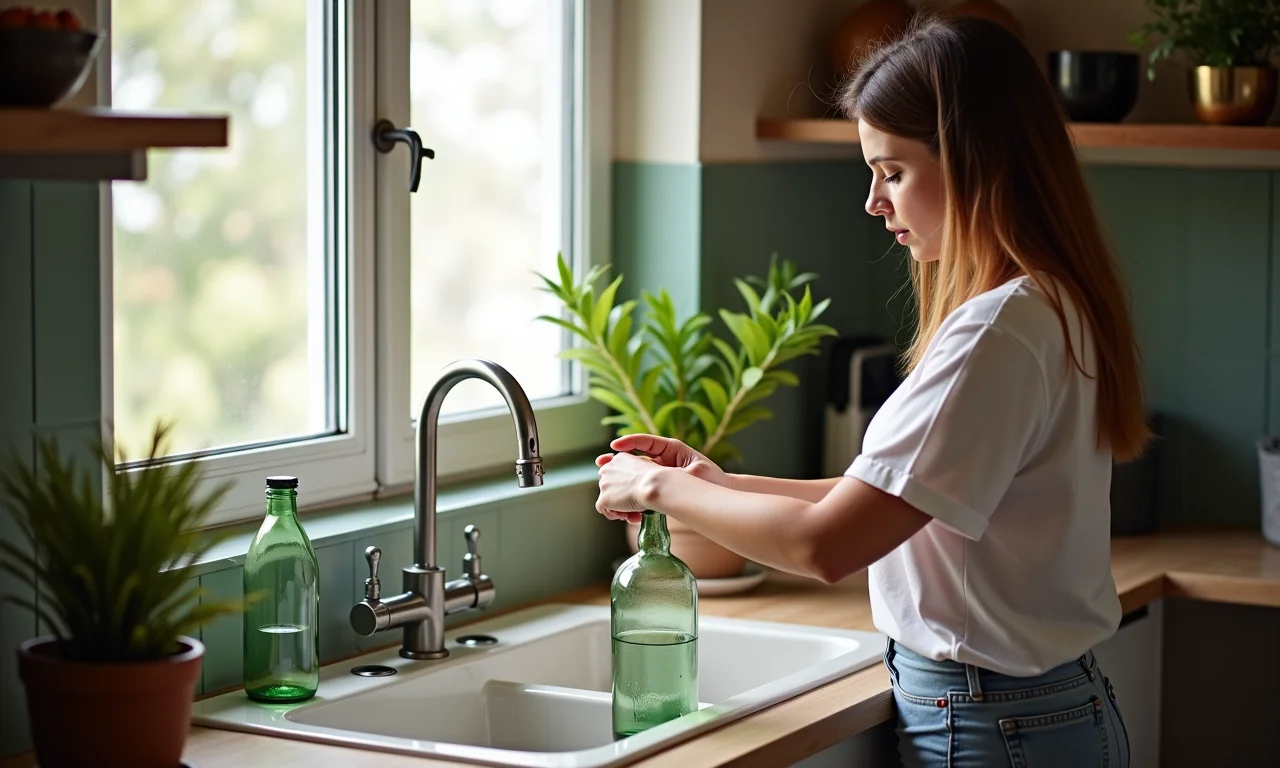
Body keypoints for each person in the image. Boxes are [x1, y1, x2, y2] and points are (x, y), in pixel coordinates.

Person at [593, 14, 1148, 768]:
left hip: (995, 725)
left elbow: (826, 546)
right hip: (1031, 716)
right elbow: (886, 498)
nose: (873, 202)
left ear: (976, 162)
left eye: (893, 172)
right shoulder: (1044, 304)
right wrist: (716, 483)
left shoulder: (995, 333)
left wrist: (657, 487)